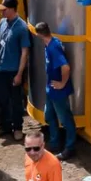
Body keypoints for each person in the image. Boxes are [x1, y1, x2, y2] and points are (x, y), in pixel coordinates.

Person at [0, 0, 31, 141]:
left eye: (4, 9)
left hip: (13, 71)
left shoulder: (21, 28)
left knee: (15, 101)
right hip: (1, 69)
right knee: (2, 100)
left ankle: (18, 128)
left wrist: (19, 74)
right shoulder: (2, 22)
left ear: (13, 9)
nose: (1, 12)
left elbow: (24, 52)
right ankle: (4, 126)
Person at [35, 22, 76, 160]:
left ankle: (70, 148)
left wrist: (62, 83)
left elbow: (66, 67)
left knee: (65, 119)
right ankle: (54, 143)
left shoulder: (53, 48)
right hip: (50, 89)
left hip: (58, 90)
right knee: (49, 116)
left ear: (39, 35)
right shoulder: (51, 43)